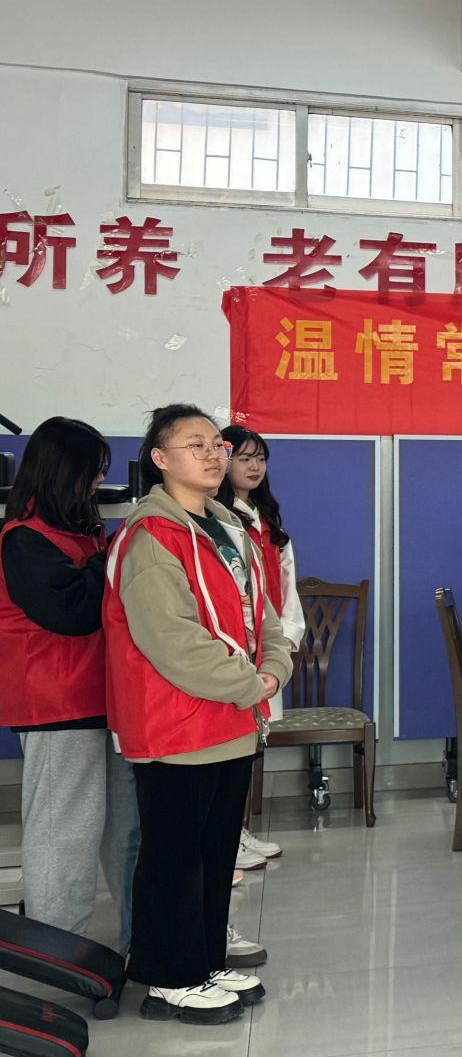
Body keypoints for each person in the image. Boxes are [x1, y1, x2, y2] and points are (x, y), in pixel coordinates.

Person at [107, 405, 292, 1025]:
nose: (214, 455)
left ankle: (204, 961)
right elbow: (173, 641)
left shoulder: (227, 527)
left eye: (218, 444)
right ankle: (168, 978)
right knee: (174, 858)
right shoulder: (150, 537)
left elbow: (262, 615)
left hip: (230, 720)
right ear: (160, 459)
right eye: (196, 445)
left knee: (215, 855)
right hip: (177, 725)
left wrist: (274, 668)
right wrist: (252, 683)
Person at [0, 417, 138, 954]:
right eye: (91, 472)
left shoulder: (81, 532)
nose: (97, 483)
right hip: (56, 704)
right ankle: (54, 953)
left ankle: (142, 943)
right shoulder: (23, 539)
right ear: (63, 472)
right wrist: (112, 557)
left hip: (106, 697)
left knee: (125, 829)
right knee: (65, 831)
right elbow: (73, 612)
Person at [217, 425, 300, 874]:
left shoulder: (266, 520)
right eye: (244, 458)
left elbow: (286, 588)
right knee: (229, 745)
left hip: (268, 649)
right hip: (234, 650)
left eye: (260, 458)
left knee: (249, 744)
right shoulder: (214, 517)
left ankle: (237, 830)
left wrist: (284, 641)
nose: (254, 466)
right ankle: (226, 839)